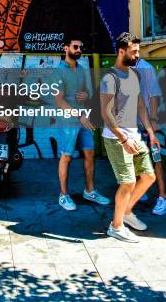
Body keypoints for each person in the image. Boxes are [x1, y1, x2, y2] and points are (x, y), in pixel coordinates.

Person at [100, 32, 159, 243]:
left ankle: (125, 213)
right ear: (121, 51)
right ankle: (116, 227)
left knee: (149, 176)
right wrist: (123, 139)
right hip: (116, 138)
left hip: (135, 135)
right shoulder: (110, 77)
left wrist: (150, 131)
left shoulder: (134, 75)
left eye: (138, 51)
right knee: (127, 182)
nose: (137, 55)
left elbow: (141, 105)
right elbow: (105, 113)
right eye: (134, 52)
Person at [54, 36, 110, 211]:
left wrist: (86, 96)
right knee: (67, 156)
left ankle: (90, 191)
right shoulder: (58, 71)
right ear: (66, 48)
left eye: (81, 47)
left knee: (90, 153)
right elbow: (59, 101)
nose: (79, 49)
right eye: (75, 46)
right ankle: (63, 195)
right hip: (69, 121)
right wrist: (79, 116)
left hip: (83, 118)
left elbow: (86, 92)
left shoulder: (82, 68)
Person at [135, 57, 166, 215]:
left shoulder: (146, 68)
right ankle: (141, 191)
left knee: (156, 158)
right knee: (137, 156)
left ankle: (163, 198)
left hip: (149, 121)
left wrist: (154, 120)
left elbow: (154, 96)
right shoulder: (125, 66)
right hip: (134, 122)